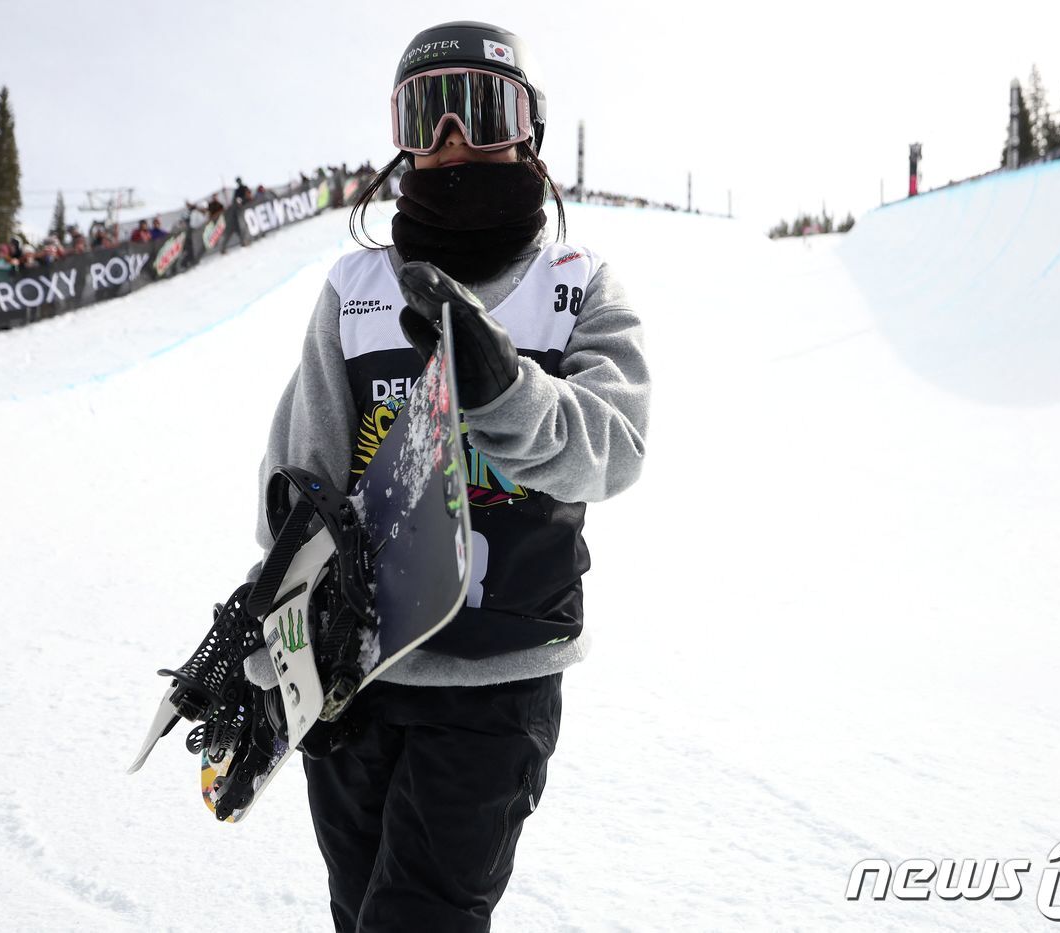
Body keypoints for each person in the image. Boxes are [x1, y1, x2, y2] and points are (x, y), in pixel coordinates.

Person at [253, 21, 649, 933]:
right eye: (427, 116)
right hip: (359, 677)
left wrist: (506, 389)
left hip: (496, 680)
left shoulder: (573, 285)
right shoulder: (357, 290)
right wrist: (274, 621)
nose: (452, 141)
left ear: (529, 132)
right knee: (360, 913)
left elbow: (616, 443)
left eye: (481, 109)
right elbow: (299, 476)